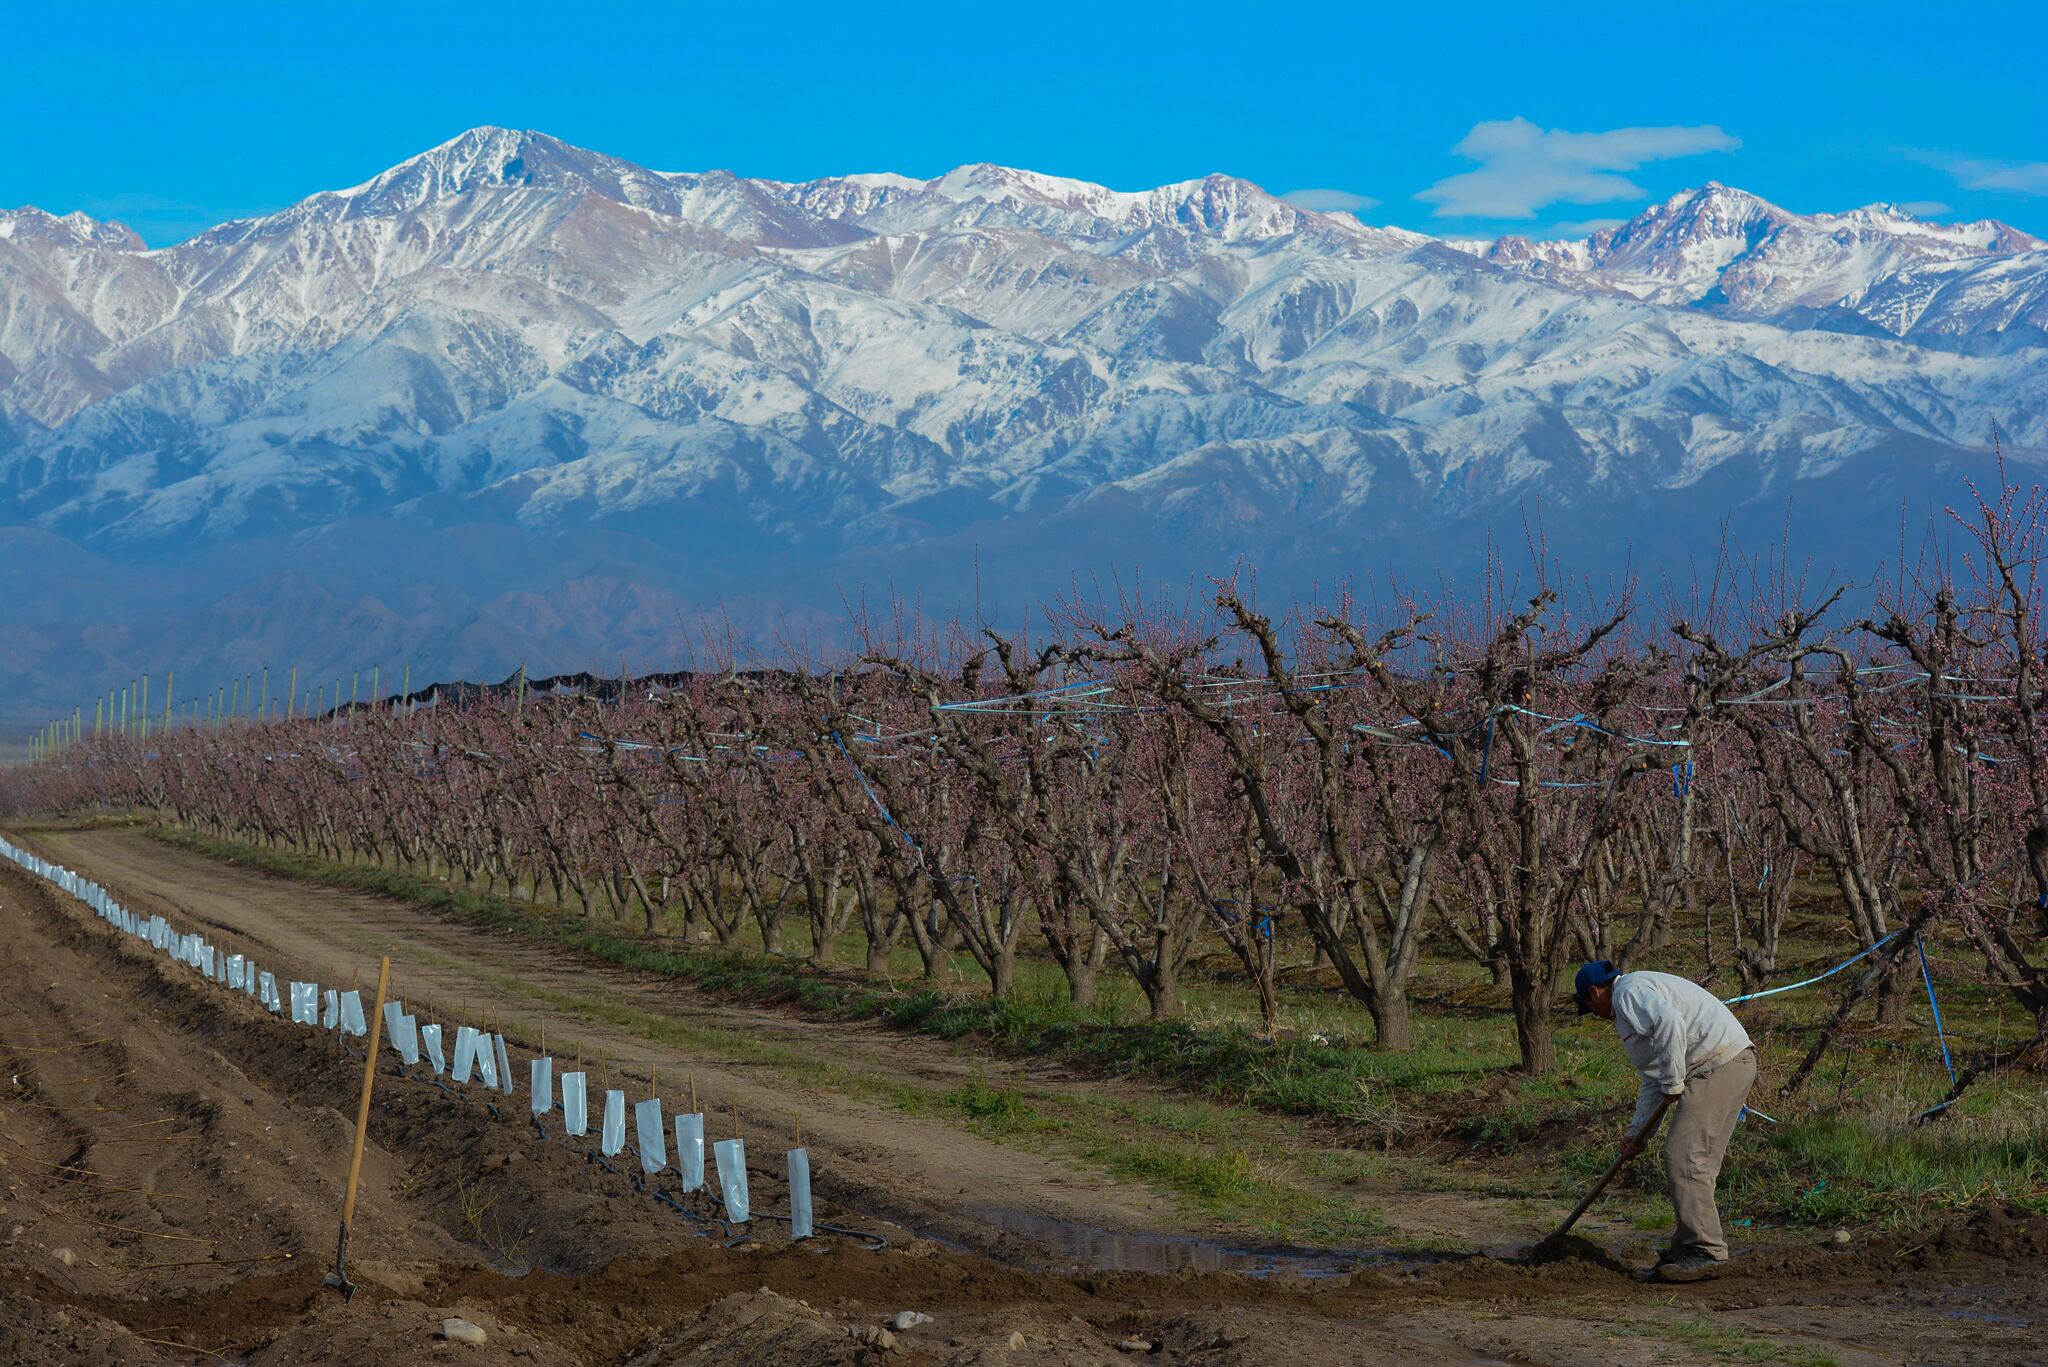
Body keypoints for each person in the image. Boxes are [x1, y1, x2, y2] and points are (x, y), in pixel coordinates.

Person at [1574, 959, 1758, 1283]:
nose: (1594, 1015)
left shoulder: (1628, 993)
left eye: (1589, 1007)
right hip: (1729, 1062)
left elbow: (1670, 1023)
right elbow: (1653, 1080)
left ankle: (1706, 1251)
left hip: (1719, 1063)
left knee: (1683, 1157)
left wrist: (1673, 1082)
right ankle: (1689, 1247)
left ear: (1594, 991)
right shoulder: (1634, 1000)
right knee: (1696, 1165)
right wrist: (1637, 1136)